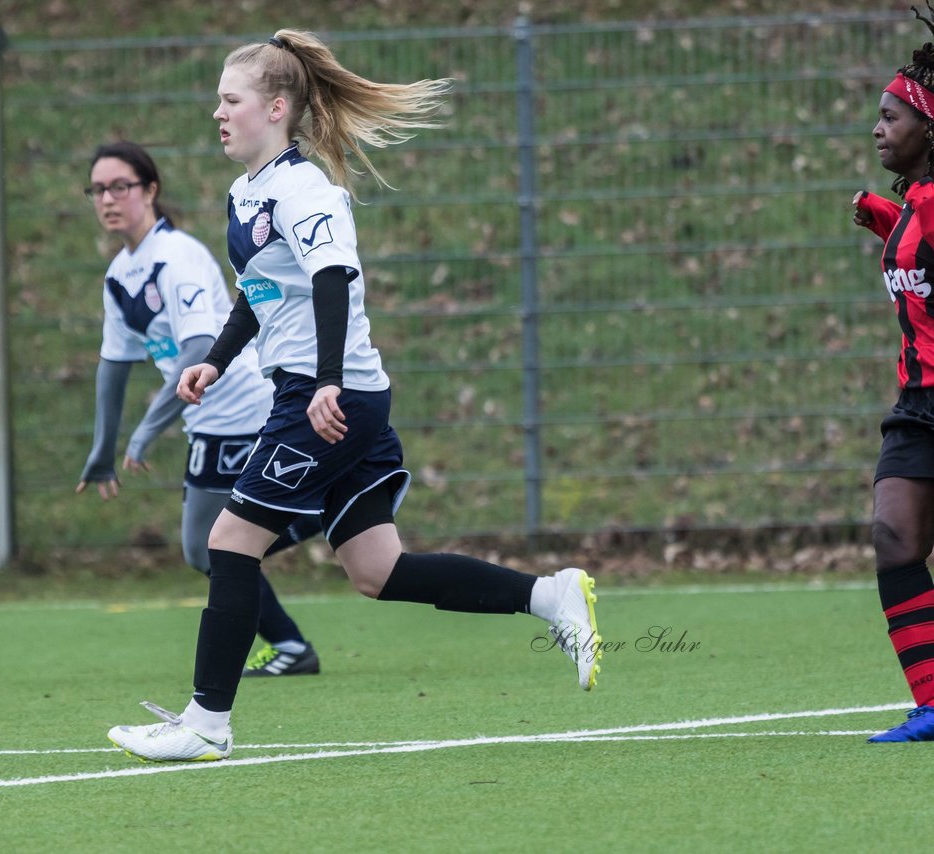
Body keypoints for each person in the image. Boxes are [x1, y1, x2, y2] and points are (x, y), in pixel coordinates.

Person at [108, 30, 602, 763]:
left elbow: (334, 277)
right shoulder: (248, 191)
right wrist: (214, 361)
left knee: (227, 542)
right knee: (379, 572)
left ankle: (205, 723)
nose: (217, 112)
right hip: (336, 396)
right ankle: (550, 596)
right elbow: (259, 293)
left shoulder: (306, 189)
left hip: (326, 397)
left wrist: (328, 380)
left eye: (230, 99)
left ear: (275, 108)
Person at [76, 141, 323, 678]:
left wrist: (144, 434)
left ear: (150, 191)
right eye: (98, 189)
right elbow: (112, 365)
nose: (108, 199)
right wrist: (102, 450)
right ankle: (292, 635)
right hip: (205, 419)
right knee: (203, 550)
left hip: (245, 408)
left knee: (214, 548)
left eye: (121, 186)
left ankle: (317, 533)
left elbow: (195, 351)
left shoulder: (178, 257)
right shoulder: (120, 274)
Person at [851, 3, 934, 743]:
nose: (878, 128)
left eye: (890, 117)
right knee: (895, 537)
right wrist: (885, 216)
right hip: (918, 405)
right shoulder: (915, 204)